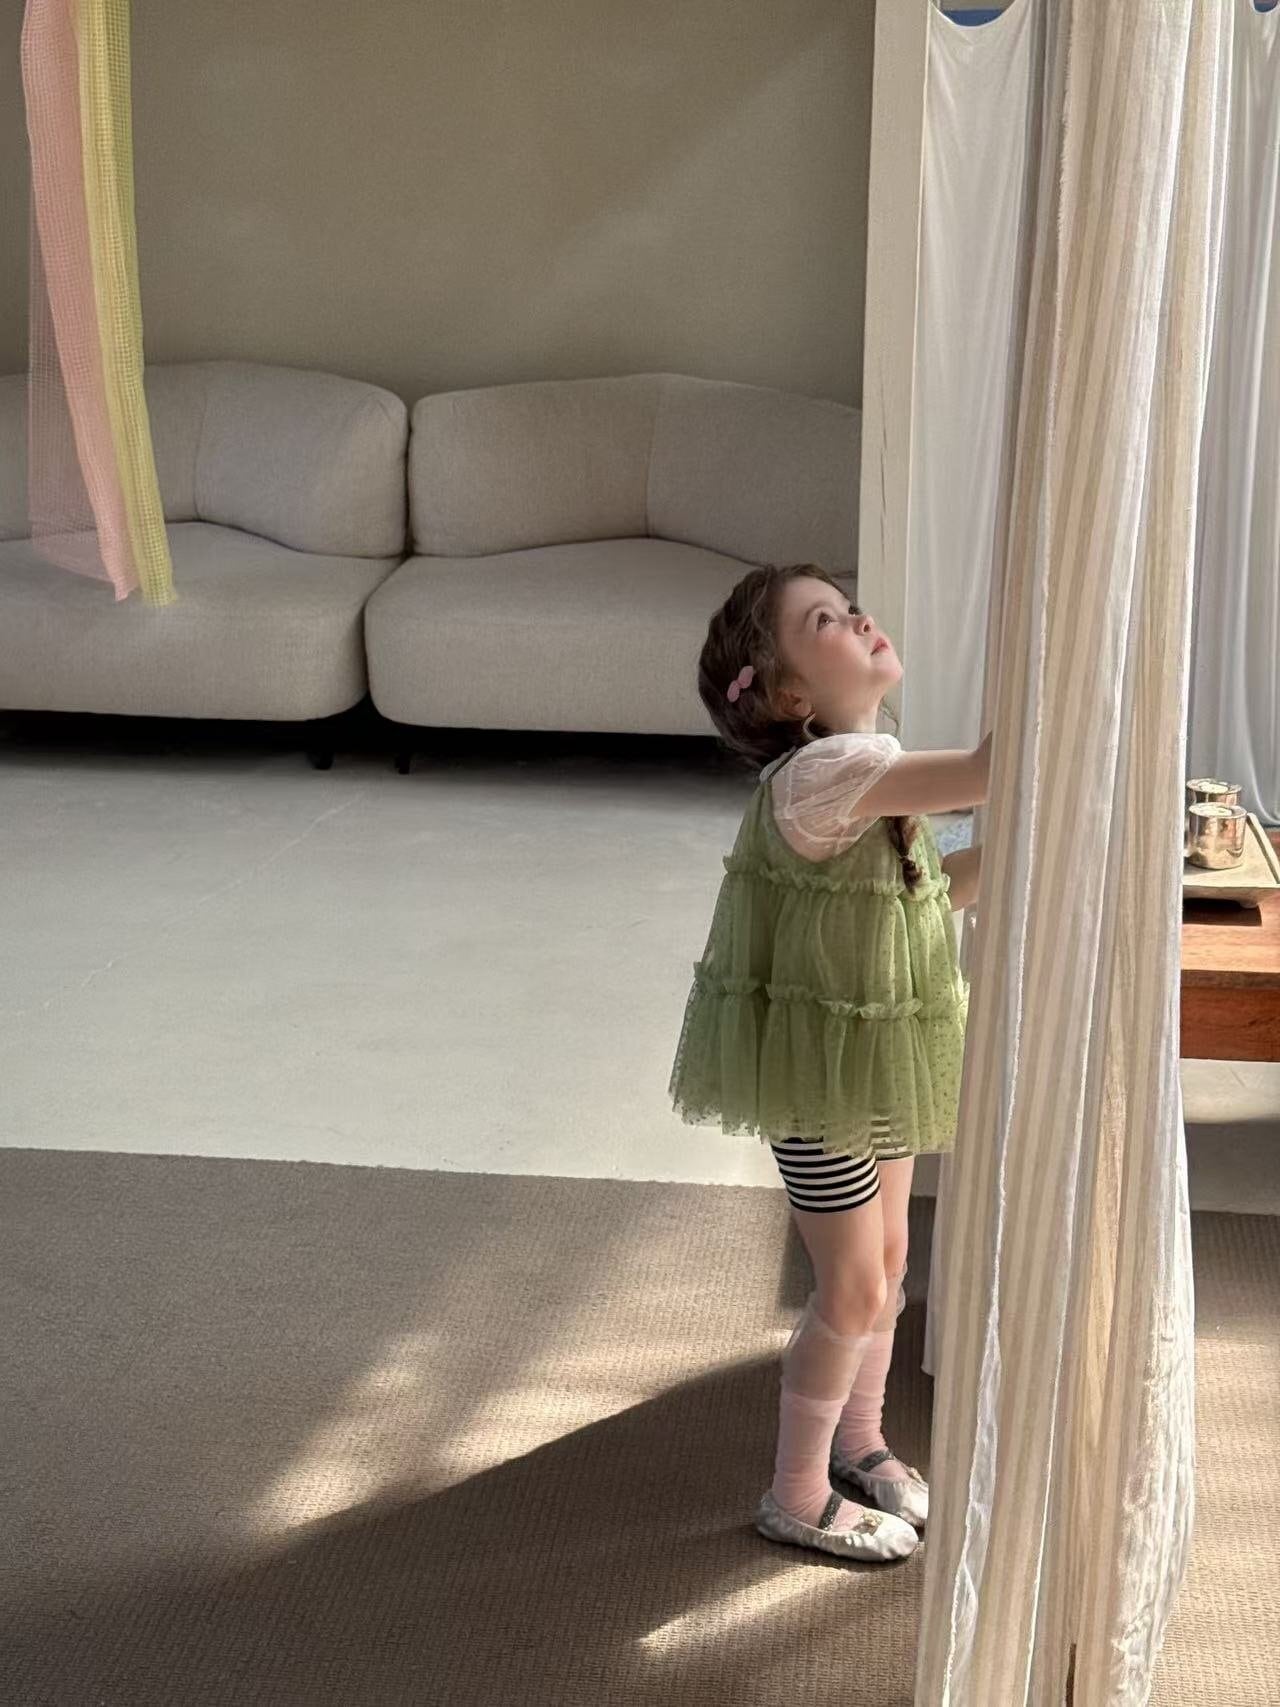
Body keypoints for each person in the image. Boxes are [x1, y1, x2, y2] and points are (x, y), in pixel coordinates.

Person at [668, 563, 991, 1562]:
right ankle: (796, 1493)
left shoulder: (869, 765)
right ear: (789, 693)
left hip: (872, 1057)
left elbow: (927, 892)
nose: (859, 618)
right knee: (851, 1285)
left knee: (887, 1266)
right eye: (826, 620)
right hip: (816, 1078)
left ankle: (859, 1442)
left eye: (846, 607)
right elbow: (992, 770)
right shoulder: (821, 775)